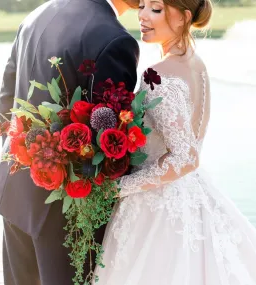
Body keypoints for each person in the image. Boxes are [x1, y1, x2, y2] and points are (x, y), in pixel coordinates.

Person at [93, 0, 256, 284]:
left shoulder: (157, 76)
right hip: (192, 192)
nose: (142, 15)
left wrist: (117, 187)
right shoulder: (195, 62)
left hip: (158, 205)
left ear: (183, 18)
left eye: (155, 9)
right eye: (142, 5)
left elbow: (186, 159)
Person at [0, 0, 140, 284]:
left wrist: (21, 157)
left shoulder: (40, 12)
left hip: (15, 189)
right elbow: (110, 144)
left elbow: (8, 97)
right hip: (66, 214)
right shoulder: (115, 39)